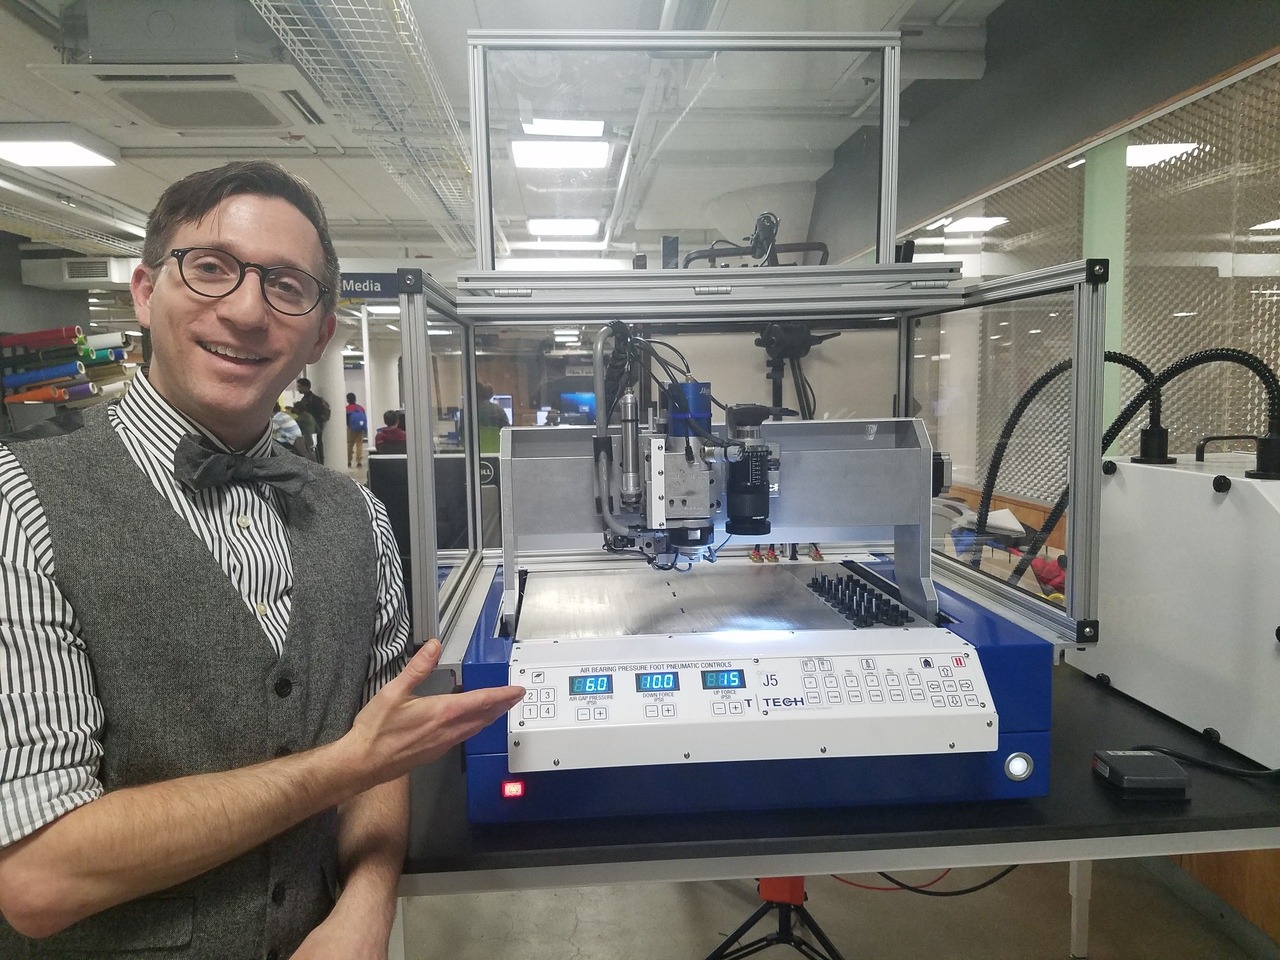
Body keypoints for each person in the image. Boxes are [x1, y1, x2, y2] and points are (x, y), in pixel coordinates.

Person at [0, 160, 523, 956]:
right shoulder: (22, 504)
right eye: (211, 268)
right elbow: (40, 878)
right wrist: (340, 767)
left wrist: (367, 906)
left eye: (286, 286)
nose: (247, 311)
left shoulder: (356, 515)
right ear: (145, 291)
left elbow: (382, 750)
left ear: (320, 335)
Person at [293, 376, 330, 464]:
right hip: (316, 426)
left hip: (313, 426)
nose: (298, 389)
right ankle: (320, 462)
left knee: (314, 444)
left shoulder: (311, 400)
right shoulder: (311, 398)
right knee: (317, 444)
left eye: (299, 386)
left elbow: (316, 413)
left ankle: (318, 462)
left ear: (306, 387)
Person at [345, 392, 367, 469]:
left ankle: (349, 461)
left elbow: (346, 420)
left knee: (350, 445)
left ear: (347, 400)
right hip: (360, 429)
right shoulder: (360, 408)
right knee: (359, 444)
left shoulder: (347, 409)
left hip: (351, 429)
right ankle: (359, 461)